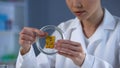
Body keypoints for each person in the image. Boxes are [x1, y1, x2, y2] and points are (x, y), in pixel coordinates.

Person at [16, 0, 120, 68]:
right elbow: (41, 65)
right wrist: (26, 50)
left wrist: (85, 61)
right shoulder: (60, 30)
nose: (76, 4)